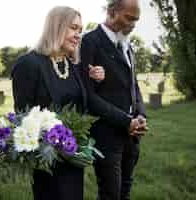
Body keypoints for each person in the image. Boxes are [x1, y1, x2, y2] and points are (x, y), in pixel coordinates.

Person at [11, 6, 104, 200]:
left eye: (80, 30)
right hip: (47, 161)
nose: (78, 35)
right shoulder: (28, 64)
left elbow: (82, 104)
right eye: (73, 28)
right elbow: (23, 117)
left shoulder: (72, 65)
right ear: (56, 27)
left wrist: (95, 80)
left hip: (73, 157)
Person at [80, 0, 147, 199]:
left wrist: (141, 115)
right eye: (129, 18)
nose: (133, 24)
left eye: (136, 20)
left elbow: (133, 86)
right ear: (111, 12)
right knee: (110, 194)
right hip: (106, 135)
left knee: (125, 190)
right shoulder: (89, 42)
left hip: (132, 135)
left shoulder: (128, 45)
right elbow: (89, 97)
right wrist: (127, 121)